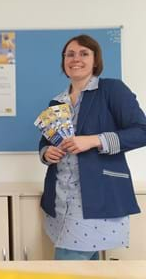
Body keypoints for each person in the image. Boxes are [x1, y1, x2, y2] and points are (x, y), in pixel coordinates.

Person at [39, 34, 146, 260]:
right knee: (87, 267)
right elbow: (46, 140)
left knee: (67, 268)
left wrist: (94, 140)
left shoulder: (111, 90)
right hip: (60, 199)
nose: (76, 58)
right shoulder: (57, 102)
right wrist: (47, 153)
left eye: (84, 53)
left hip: (96, 196)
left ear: (95, 60)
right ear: (63, 61)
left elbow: (141, 131)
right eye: (70, 54)